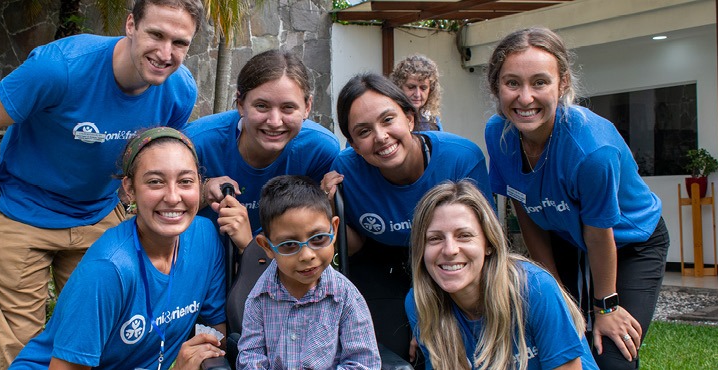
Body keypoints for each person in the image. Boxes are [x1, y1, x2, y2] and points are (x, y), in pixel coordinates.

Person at [0, 0, 203, 366]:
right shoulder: (59, 68)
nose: (165, 52)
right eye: (156, 34)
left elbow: (157, 157)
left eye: (180, 42)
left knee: (99, 342)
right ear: (130, 25)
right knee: (25, 352)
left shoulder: (179, 90)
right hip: (21, 214)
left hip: (98, 215)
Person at [483, 27, 669, 370]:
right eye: (512, 83)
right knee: (557, 336)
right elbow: (523, 206)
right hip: (564, 234)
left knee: (611, 352)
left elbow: (600, 235)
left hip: (628, 242)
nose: (525, 98)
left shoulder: (591, 150)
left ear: (562, 83)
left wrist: (606, 307)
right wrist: (553, 289)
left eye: (539, 82)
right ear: (496, 86)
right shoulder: (498, 134)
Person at [11, 128, 226, 369]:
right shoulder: (109, 270)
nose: (173, 197)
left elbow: (216, 337)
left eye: (185, 181)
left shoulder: (205, 237)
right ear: (130, 189)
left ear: (199, 183)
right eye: (155, 182)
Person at [321, 73, 490, 357]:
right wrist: (328, 209)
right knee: (389, 349)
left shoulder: (461, 158)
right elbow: (354, 246)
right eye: (363, 132)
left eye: (388, 120)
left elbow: (483, 243)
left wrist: (433, 314)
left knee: (442, 344)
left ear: (409, 118)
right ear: (353, 144)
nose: (380, 137)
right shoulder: (346, 170)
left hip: (448, 260)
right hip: (381, 264)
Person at [405, 181, 597, 370]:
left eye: (464, 235)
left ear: (489, 243)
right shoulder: (421, 302)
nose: (449, 250)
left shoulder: (535, 288)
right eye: (435, 238)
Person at [185, 49, 339, 251]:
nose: (275, 122)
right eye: (262, 106)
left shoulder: (319, 150)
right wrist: (202, 192)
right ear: (240, 104)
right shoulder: (194, 144)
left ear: (307, 106)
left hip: (281, 268)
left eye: (288, 108)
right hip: (201, 261)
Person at [237, 175, 380, 369]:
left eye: (318, 238)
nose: (307, 255)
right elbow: (251, 358)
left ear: (334, 229)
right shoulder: (258, 299)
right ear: (267, 247)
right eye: (288, 245)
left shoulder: (346, 297)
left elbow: (364, 363)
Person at [390, 54, 443, 131]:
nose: (417, 94)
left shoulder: (432, 120)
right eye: (411, 87)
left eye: (423, 88)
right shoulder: (389, 118)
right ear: (399, 87)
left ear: (430, 90)